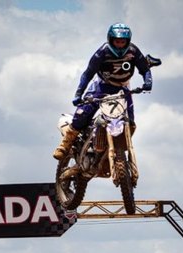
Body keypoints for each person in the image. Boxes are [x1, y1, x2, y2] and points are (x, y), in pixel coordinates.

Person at [53, 22, 153, 160]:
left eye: (123, 41)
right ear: (111, 40)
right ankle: (65, 145)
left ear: (127, 41)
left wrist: (148, 82)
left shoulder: (133, 51)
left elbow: (145, 68)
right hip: (102, 86)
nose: (120, 45)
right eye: (117, 41)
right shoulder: (102, 52)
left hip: (123, 89)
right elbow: (88, 74)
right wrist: (78, 94)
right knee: (83, 112)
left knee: (130, 123)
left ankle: (120, 148)